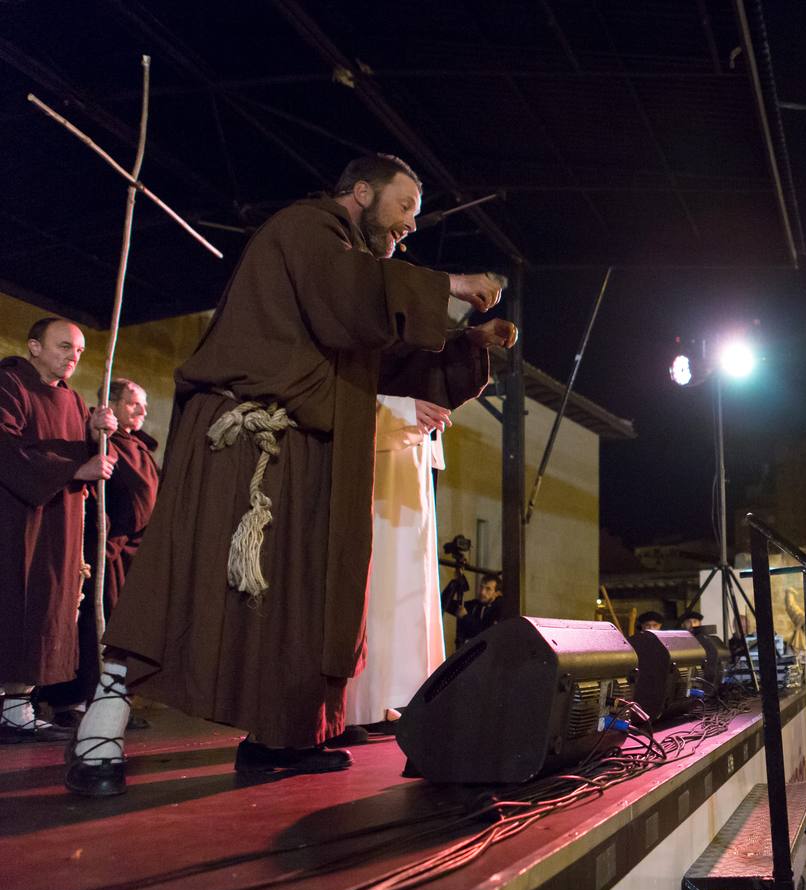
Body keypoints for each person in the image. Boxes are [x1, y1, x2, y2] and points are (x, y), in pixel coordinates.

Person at [67, 154, 513, 795]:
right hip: (246, 440)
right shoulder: (309, 229)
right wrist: (449, 285)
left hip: (308, 450)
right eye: (405, 206)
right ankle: (99, 730)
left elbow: (374, 357)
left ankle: (279, 738)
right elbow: (354, 296)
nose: (411, 225)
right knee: (187, 579)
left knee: (301, 599)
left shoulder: (350, 280)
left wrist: (470, 344)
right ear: (360, 192)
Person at [1, 318, 117, 743]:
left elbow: (82, 453)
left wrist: (95, 434)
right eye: (64, 346)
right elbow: (5, 446)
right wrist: (76, 464)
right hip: (16, 518)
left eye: (80, 351)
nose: (73, 356)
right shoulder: (10, 385)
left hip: (59, 523)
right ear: (34, 346)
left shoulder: (72, 400)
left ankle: (19, 706)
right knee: (14, 602)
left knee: (49, 607)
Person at [339, 391, 475, 742]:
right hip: (377, 450)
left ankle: (380, 699)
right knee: (377, 575)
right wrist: (401, 409)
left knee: (401, 580)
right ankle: (352, 704)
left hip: (409, 453)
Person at [36, 378, 159, 727]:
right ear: (112, 402)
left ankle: (109, 702)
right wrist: (96, 433)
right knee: (91, 623)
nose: (143, 411)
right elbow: (85, 461)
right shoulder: (100, 437)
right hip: (100, 550)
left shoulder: (138, 446)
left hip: (132, 553)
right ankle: (71, 701)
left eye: (144, 405)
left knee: (123, 629)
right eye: (135, 403)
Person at [456, 575, 505, 648]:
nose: (482, 592)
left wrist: (466, 617)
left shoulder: (501, 609)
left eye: (488, 589)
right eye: (481, 587)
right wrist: (453, 584)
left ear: (497, 593)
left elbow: (486, 633)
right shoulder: (475, 605)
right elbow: (445, 603)